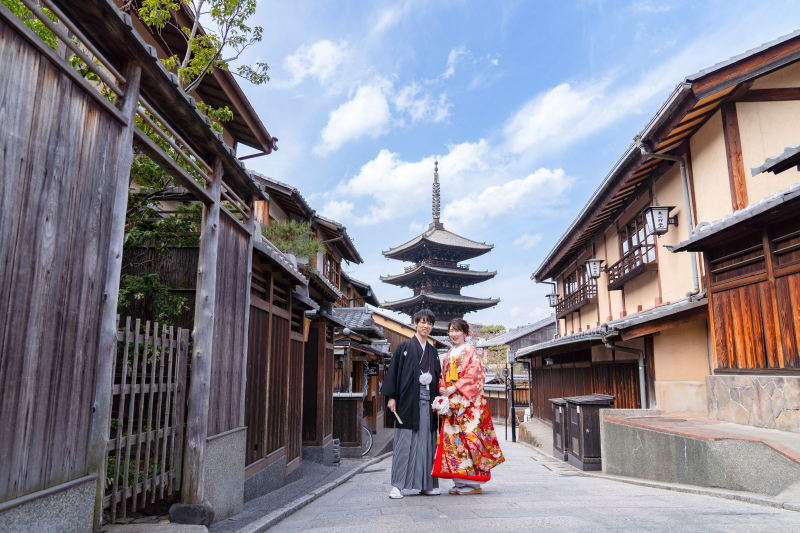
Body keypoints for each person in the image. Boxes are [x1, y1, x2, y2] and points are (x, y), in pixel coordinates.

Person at [435, 317, 504, 494]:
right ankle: (459, 481)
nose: (453, 334)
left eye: (457, 330)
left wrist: (454, 388)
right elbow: (443, 375)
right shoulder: (450, 353)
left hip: (468, 405)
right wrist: (443, 387)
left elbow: (475, 375)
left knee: (470, 440)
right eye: (451, 330)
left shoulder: (471, 351)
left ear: (466, 333)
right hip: (452, 404)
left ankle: (473, 484)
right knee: (453, 442)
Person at [380, 309, 441, 499]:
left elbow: (439, 378)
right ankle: (397, 486)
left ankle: (427, 485)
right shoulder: (404, 347)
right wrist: (391, 397)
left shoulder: (432, 350)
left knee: (427, 444)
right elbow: (394, 373)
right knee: (404, 442)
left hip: (428, 403)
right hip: (407, 403)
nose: (426, 326)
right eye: (422, 322)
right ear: (415, 323)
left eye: (429, 323)